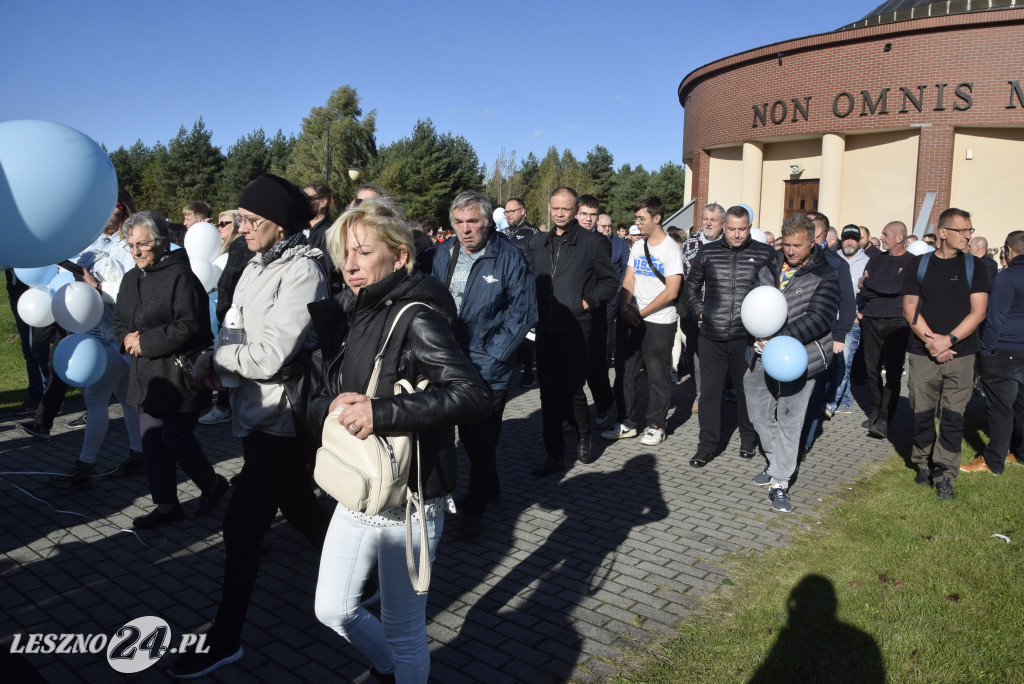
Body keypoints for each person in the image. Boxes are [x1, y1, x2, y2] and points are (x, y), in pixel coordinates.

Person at [308, 199, 490, 683]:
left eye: (363, 252)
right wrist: (329, 404)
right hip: (358, 489)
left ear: (400, 256)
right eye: (344, 253)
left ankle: (399, 665)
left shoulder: (417, 316)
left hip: (410, 499)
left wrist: (381, 412)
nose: (350, 265)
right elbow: (327, 389)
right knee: (332, 609)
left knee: (404, 628)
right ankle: (387, 666)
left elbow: (474, 395)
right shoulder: (351, 312)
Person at [168, 175, 334, 678]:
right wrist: (211, 362)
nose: (240, 229)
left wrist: (217, 360)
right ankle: (360, 573)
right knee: (300, 506)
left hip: (281, 417)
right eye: (238, 219)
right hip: (251, 410)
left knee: (240, 527)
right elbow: (234, 331)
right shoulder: (253, 266)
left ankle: (224, 640)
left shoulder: (304, 271)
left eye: (251, 220)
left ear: (280, 224)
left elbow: (269, 355)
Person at [112, 211, 227, 529]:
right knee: (152, 444)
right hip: (145, 379)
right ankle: (166, 507)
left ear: (162, 242)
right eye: (131, 245)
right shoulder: (130, 278)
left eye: (142, 244)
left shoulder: (181, 276)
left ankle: (213, 484)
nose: (135, 251)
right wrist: (126, 338)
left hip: (177, 376)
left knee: (175, 438)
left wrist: (144, 342)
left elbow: (190, 326)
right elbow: (120, 321)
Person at [431, 191, 535, 539]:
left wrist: (492, 355)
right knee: (464, 438)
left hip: (488, 368)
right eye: (458, 222)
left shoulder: (510, 258)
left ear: (488, 221)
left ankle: (474, 510)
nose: (465, 229)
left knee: (481, 439)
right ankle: (490, 488)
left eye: (472, 221)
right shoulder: (444, 252)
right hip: (447, 362)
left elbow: (523, 313)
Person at [745, 213, 840, 513]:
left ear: (812, 242)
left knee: (789, 418)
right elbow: (754, 300)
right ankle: (774, 461)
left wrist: (778, 337)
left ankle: (781, 481)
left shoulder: (826, 273)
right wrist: (758, 334)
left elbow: (820, 318)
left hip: (800, 358)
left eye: (797, 245)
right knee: (758, 411)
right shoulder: (769, 264)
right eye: (786, 244)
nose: (791, 251)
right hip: (760, 351)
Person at [47, 202, 145, 489]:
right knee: (127, 397)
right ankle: (139, 454)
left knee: (95, 398)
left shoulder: (131, 246)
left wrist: (98, 289)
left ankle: (85, 465)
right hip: (94, 330)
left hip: (116, 335)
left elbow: (134, 291)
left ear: (126, 209)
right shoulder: (93, 244)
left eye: (115, 205)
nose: (108, 211)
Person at [527, 187, 618, 476]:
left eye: (565, 208)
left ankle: (585, 436)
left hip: (577, 328)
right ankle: (554, 455)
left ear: (575, 209)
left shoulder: (592, 242)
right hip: (546, 329)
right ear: (549, 207)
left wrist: (587, 301)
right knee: (548, 395)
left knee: (574, 389)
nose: (559, 213)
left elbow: (610, 282)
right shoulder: (539, 242)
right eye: (555, 208)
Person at [901, 208, 989, 499]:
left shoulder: (975, 266)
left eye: (970, 230)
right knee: (922, 412)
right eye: (962, 230)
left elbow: (978, 312)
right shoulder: (919, 265)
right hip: (923, 352)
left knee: (953, 416)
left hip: (961, 355)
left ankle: (945, 472)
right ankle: (922, 462)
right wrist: (932, 343)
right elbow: (910, 308)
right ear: (942, 233)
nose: (968, 236)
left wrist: (948, 340)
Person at [683, 205, 772, 466]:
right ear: (723, 226)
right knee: (710, 394)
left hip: (747, 337)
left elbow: (775, 291)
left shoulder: (765, 253)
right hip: (712, 336)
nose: (736, 234)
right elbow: (691, 286)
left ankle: (747, 439)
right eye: (731, 228)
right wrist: (701, 312)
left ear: (749, 227)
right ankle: (707, 445)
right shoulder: (707, 252)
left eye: (742, 229)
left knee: (747, 393)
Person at [602, 197, 683, 446]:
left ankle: (657, 425)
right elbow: (628, 281)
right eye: (636, 219)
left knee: (657, 376)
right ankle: (626, 422)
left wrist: (641, 312)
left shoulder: (671, 249)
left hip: (659, 321)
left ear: (657, 218)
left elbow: (672, 291)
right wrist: (626, 307)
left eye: (641, 219)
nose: (637, 224)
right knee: (625, 372)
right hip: (632, 317)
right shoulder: (637, 247)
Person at [963, 231, 1024, 474]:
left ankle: (993, 461)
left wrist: (986, 351)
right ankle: (1020, 453)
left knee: (1000, 408)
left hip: (1004, 349)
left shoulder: (1007, 277)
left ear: (1008, 250)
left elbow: (995, 317)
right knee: (1021, 406)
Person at [858, 221, 915, 437]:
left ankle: (886, 417)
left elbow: (896, 288)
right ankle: (875, 411)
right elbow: (864, 291)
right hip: (872, 319)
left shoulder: (912, 262)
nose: (881, 237)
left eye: (886, 234)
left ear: (899, 238)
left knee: (892, 372)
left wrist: (871, 284)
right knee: (871, 371)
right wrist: (875, 288)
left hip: (897, 322)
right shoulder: (876, 259)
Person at [679, 203, 726, 415]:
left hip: (722, 312)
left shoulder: (729, 244)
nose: (707, 223)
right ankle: (701, 395)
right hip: (692, 312)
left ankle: (717, 393)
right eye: (705, 218)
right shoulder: (689, 243)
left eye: (713, 220)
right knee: (696, 356)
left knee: (718, 356)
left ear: (722, 224)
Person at [199, 210, 243, 427]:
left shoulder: (238, 251)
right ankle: (224, 405)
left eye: (224, 223)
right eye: (218, 223)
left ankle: (224, 407)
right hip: (218, 310)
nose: (218, 227)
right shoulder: (222, 251)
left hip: (230, 314)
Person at [575, 195, 616, 429]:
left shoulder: (600, 242)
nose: (588, 219)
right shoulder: (567, 238)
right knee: (572, 367)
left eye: (592, 215)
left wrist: (589, 301)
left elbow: (607, 281)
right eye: (584, 214)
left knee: (595, 367)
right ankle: (572, 414)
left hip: (594, 312)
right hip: (571, 313)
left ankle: (603, 406)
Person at [824, 225, 871, 418]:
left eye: (853, 238)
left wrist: (861, 314)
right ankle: (845, 400)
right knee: (831, 363)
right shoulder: (833, 260)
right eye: (846, 238)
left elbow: (871, 291)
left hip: (852, 321)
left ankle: (831, 403)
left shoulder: (868, 262)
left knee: (845, 362)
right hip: (830, 319)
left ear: (859, 241)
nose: (849, 242)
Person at [599, 212, 630, 365]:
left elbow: (626, 267)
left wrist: (620, 287)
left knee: (610, 324)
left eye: (609, 226)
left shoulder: (620, 243)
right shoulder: (592, 241)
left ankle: (609, 355)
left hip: (615, 291)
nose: (606, 229)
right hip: (596, 290)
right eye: (603, 226)